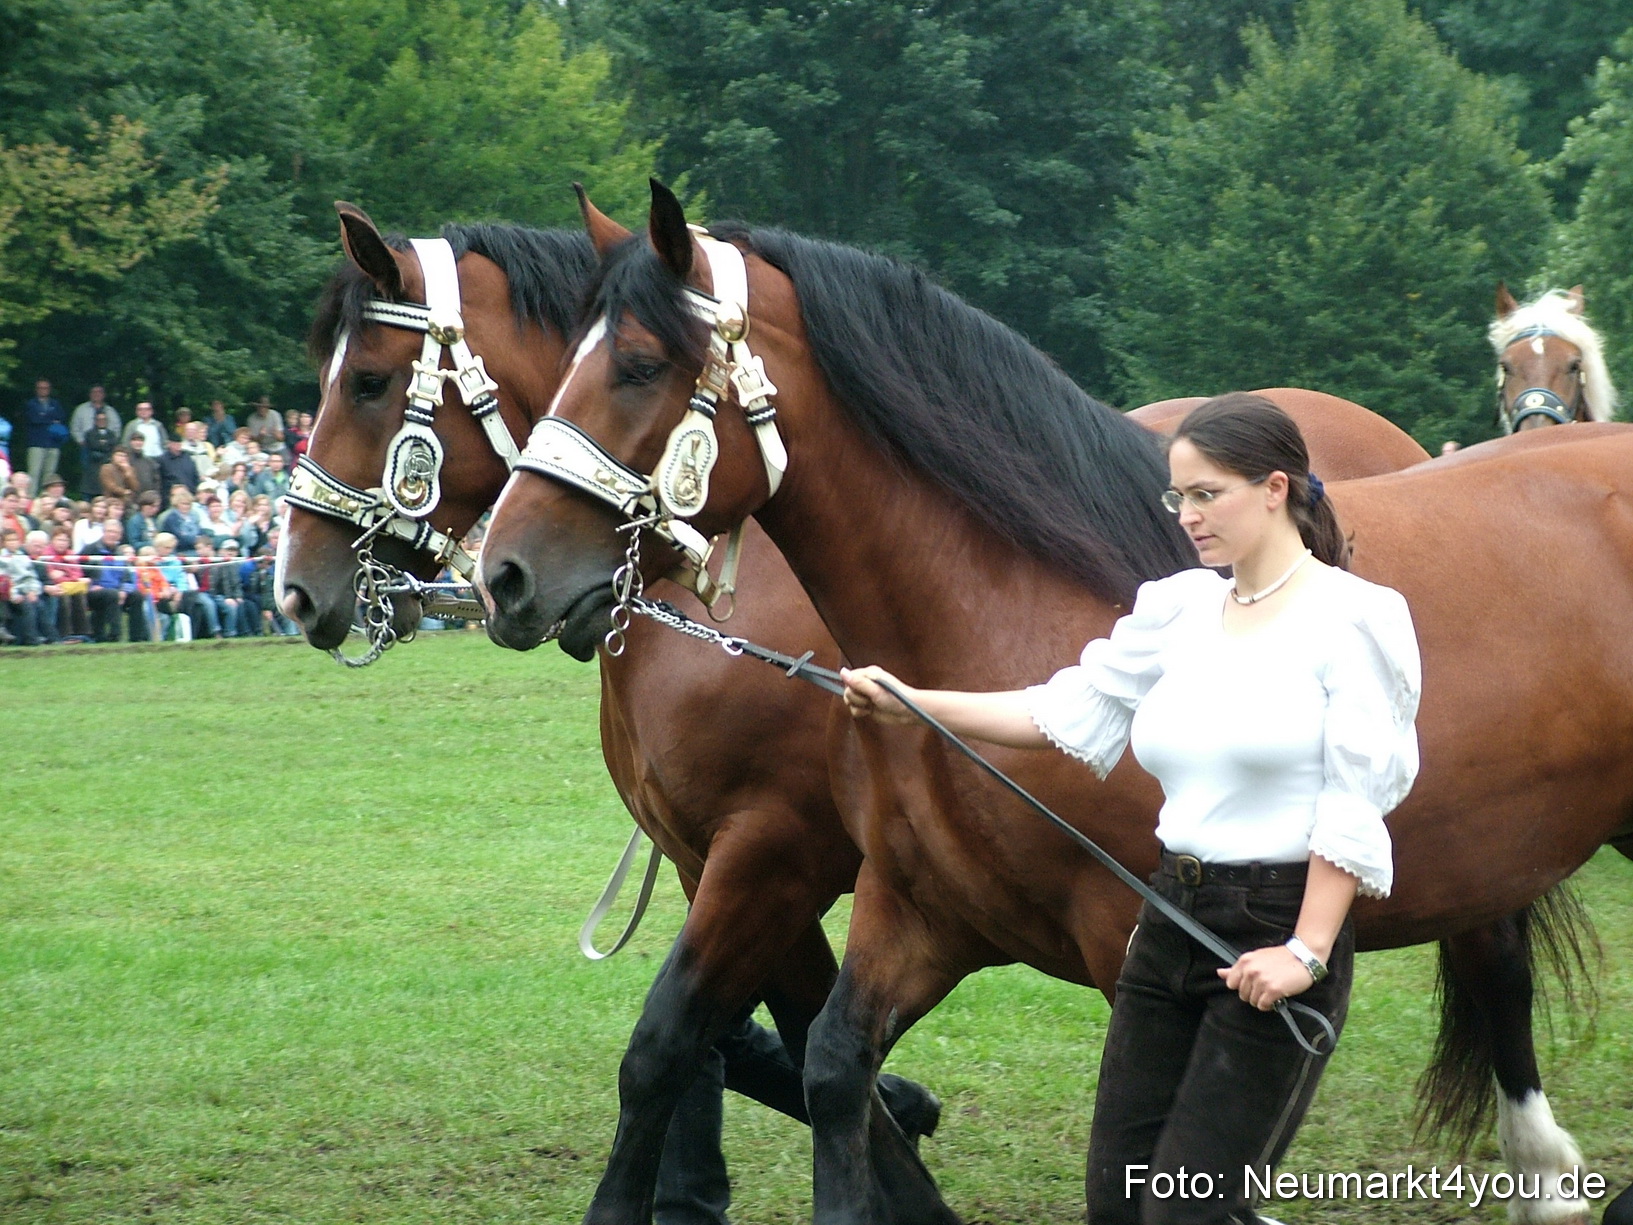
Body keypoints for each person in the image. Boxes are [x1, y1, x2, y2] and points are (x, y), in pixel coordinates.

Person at [840, 393, 1421, 1225]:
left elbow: (1355, 792)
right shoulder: (1177, 608)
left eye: (1206, 494)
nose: (1188, 516)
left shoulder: (1356, 618)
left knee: (1184, 1210)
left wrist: (1307, 948)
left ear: (1274, 488)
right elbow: (1066, 711)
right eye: (1177, 497)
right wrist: (914, 702)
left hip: (1276, 929)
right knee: (1118, 1206)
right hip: (1167, 922)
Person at [83, 519, 145, 642]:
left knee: (137, 596)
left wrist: (124, 590)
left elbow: (127, 577)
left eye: (115, 532)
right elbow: (79, 572)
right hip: (96, 591)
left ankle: (137, 638)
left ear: (120, 535)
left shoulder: (120, 552)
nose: (112, 535)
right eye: (109, 531)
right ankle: (115, 636)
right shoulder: (90, 550)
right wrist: (91, 585)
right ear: (103, 532)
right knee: (112, 594)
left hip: (116, 590)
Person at [21, 378, 69, 493]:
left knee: (49, 474)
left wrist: (44, 418)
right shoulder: (31, 404)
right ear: (36, 389)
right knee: (34, 473)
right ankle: (31, 499)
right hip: (36, 443)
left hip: (53, 444)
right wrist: (51, 420)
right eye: (41, 388)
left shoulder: (55, 404)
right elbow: (33, 419)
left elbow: (61, 418)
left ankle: (46, 498)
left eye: (46, 388)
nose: (43, 390)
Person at [81, 410, 120, 498]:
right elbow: (93, 444)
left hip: (107, 465)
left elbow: (112, 446)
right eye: (99, 419)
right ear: (95, 421)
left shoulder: (111, 434)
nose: (102, 421)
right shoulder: (89, 433)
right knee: (91, 492)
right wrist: (105, 444)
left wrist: (101, 445)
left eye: (104, 419)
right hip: (93, 467)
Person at [156, 436, 199, 505]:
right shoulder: (162, 460)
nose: (177, 446)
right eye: (175, 444)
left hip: (190, 495)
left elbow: (195, 475)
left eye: (179, 444)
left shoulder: (187, 457)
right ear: (169, 444)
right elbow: (160, 480)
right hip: (171, 498)